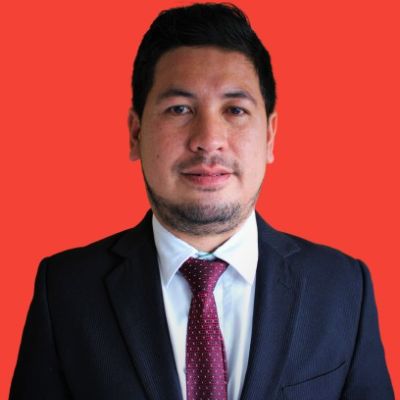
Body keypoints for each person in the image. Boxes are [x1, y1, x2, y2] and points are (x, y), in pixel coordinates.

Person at [10, 3, 394, 400]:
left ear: (269, 137)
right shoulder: (66, 290)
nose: (209, 139)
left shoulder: (343, 287)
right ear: (135, 133)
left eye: (235, 110)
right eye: (179, 109)